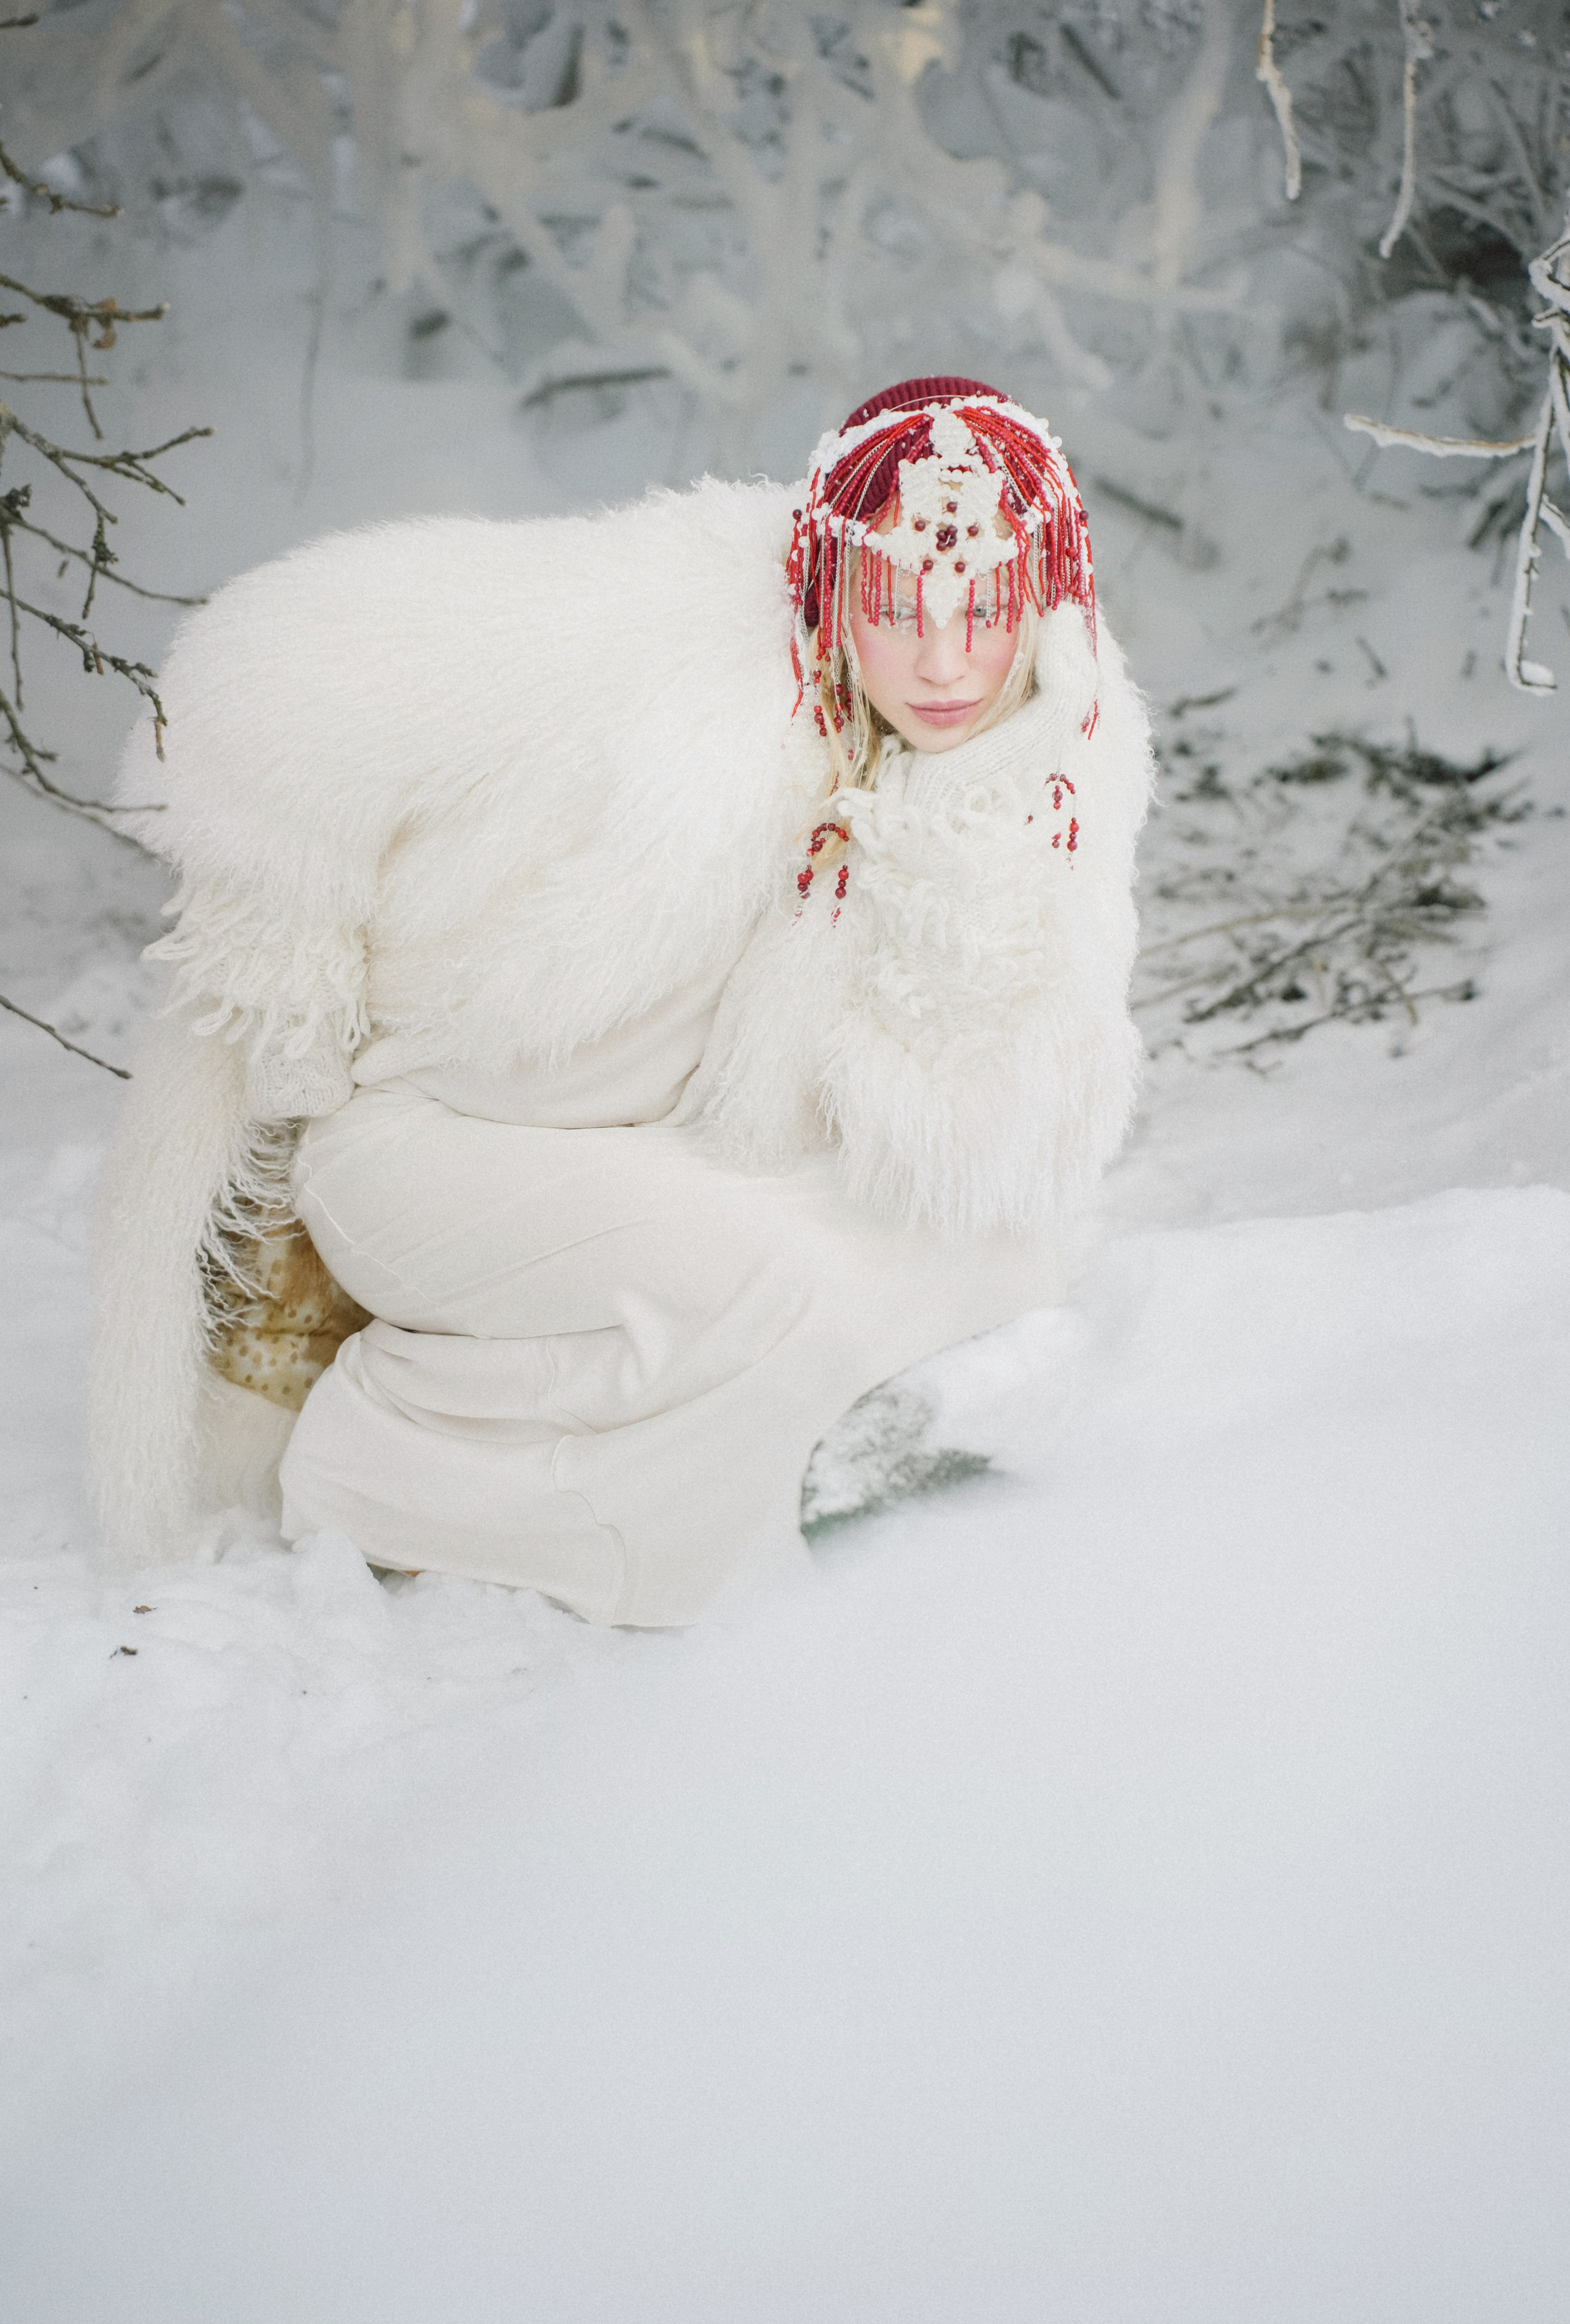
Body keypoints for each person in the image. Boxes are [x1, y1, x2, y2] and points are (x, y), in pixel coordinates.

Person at [91, 377, 1153, 1625]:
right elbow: (287, 653)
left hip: (661, 1152)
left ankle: (718, 1473)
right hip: (423, 1138)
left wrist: (971, 824)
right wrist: (286, 945)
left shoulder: (1056, 751)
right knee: (779, 1286)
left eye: (983, 613)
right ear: (826, 586)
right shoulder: (683, 625)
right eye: (893, 609)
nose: (940, 663)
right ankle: (382, 1469)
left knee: (1002, 1255)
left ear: (1048, 610)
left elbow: (976, 1126)